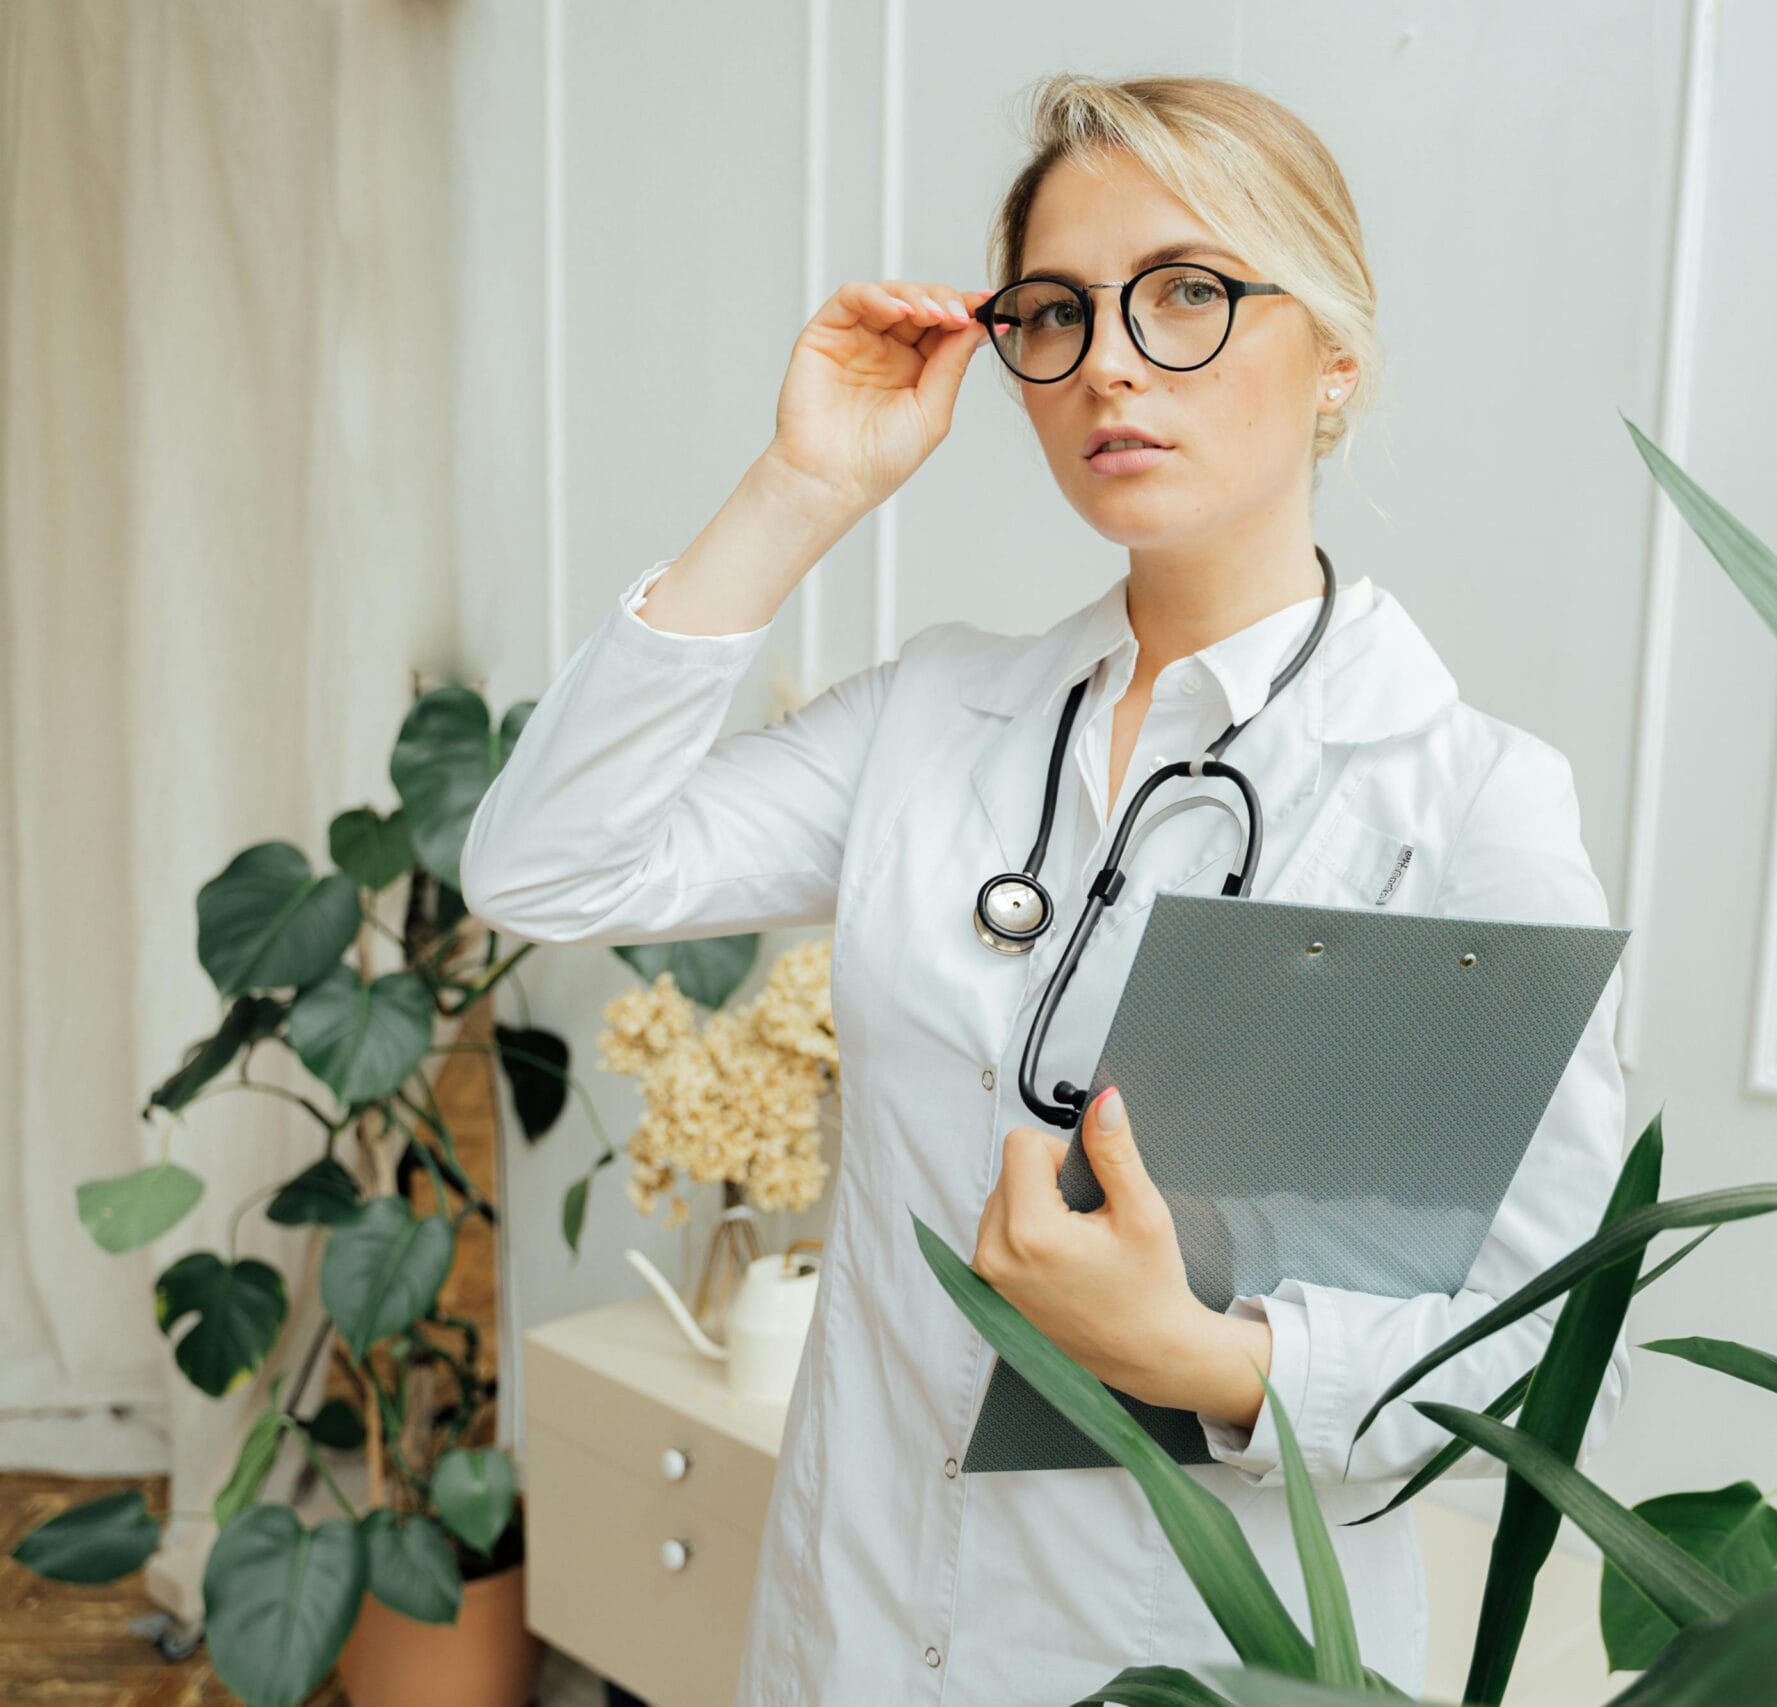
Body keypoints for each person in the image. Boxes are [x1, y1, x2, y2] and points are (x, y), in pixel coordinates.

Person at [460, 71, 1630, 1706]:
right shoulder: (938, 717)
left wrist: (1207, 1361)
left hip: (1195, 1654)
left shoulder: (1467, 808)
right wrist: (803, 488)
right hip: (852, 1625)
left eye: (1190, 295)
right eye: (1058, 314)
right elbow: (545, 863)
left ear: (1338, 358)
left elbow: (1536, 1341)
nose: (1112, 365)